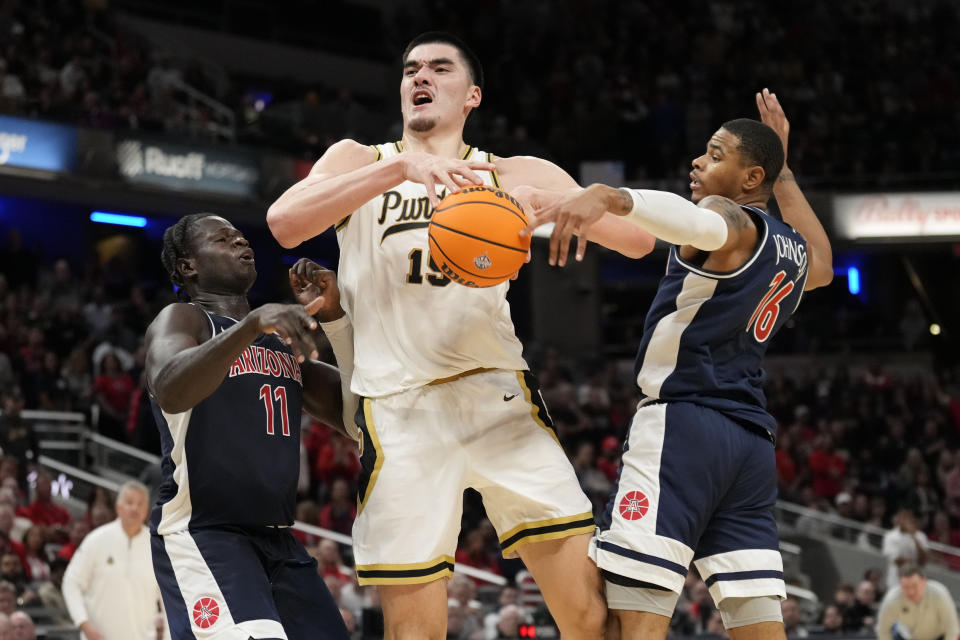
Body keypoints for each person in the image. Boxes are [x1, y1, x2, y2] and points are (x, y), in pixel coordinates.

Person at [266, 31, 654, 639]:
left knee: (588, 617)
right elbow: (284, 223)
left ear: (471, 94)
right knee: (414, 633)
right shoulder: (360, 159)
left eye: (440, 68)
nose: (421, 76)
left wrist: (549, 204)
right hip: (398, 413)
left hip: (496, 397)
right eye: (411, 69)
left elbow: (638, 242)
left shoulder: (507, 170)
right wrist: (401, 167)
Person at [521, 89, 833, 640]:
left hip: (684, 425)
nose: (697, 161)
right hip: (750, 443)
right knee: (759, 625)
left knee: (633, 621)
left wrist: (612, 198)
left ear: (749, 178)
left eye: (715, 154)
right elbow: (824, 264)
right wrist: (783, 172)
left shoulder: (724, 216)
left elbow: (700, 224)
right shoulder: (792, 247)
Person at [144, 214, 349, 640]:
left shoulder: (281, 345)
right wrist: (251, 325)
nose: (241, 242)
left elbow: (359, 414)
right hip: (206, 532)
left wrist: (336, 320)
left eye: (241, 236)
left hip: (278, 541)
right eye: (223, 239)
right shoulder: (184, 318)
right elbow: (170, 388)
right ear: (188, 267)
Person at [62, 481, 164, 640]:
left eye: (140, 504)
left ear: (146, 511)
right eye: (129, 502)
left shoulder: (157, 547)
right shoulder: (95, 540)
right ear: (118, 507)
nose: (134, 508)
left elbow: (167, 596)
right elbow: (71, 582)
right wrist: (83, 623)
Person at [875, 564, 959, 640]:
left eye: (914, 586)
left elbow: (952, 628)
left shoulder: (939, 594)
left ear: (924, 582)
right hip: (905, 637)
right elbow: (882, 630)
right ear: (900, 584)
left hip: (937, 637)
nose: (911, 591)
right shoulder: (892, 599)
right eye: (905, 587)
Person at [882, 509, 929, 591]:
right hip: (895, 582)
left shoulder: (921, 537)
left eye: (909, 518)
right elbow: (897, 560)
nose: (906, 521)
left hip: (916, 583)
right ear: (899, 519)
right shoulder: (890, 536)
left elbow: (923, 560)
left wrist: (914, 537)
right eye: (903, 518)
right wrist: (914, 563)